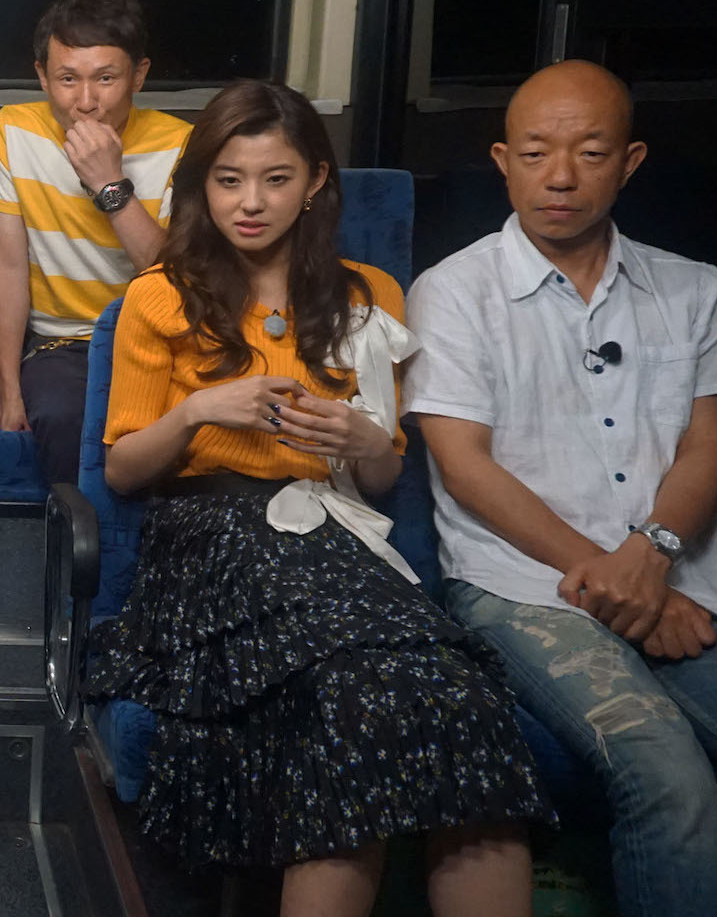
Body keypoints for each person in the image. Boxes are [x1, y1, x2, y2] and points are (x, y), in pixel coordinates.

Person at [86, 80, 549, 914]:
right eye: (229, 180)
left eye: (276, 179)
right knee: (353, 695)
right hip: (211, 537)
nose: (250, 203)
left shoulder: (370, 295)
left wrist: (366, 441)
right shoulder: (161, 294)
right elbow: (122, 470)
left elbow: (382, 478)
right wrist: (198, 410)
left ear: (315, 183)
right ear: (201, 186)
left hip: (335, 530)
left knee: (464, 698)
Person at [405, 59, 717, 917]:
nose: (561, 176)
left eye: (591, 152)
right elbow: (466, 467)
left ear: (630, 162)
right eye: (536, 153)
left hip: (684, 575)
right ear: (504, 162)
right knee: (666, 775)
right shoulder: (453, 292)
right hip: (522, 584)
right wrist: (616, 577)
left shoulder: (695, 291)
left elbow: (708, 448)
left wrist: (651, 556)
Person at [0, 0, 194, 485]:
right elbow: (6, 265)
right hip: (61, 345)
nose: (86, 102)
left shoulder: (182, 145)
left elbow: (176, 278)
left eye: (106, 78)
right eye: (68, 79)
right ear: (42, 77)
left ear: (139, 75)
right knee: (64, 416)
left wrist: (109, 184)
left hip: (160, 338)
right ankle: (82, 535)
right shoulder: (12, 132)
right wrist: (9, 390)